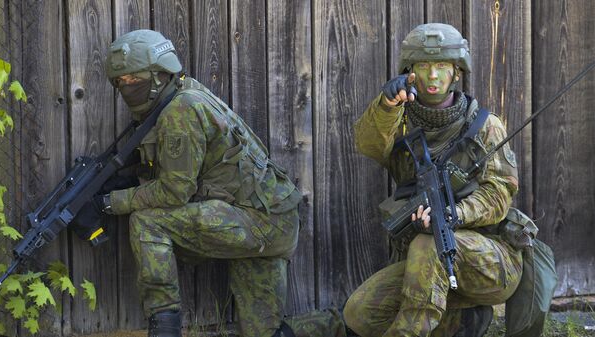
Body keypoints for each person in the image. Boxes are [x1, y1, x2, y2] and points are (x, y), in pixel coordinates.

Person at [87, 29, 345, 337]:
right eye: (121, 82)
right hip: (269, 218)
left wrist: (110, 202)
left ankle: (164, 330)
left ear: (159, 76)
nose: (127, 87)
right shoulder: (185, 93)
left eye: (134, 79)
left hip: (259, 221)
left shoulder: (180, 110)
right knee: (265, 334)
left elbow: (175, 191)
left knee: (147, 222)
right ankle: (348, 325)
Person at [343, 23, 524, 337]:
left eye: (442, 66)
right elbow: (369, 145)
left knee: (430, 243)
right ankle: (461, 319)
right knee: (359, 313)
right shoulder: (398, 120)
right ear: (411, 71)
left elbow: (500, 191)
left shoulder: (485, 126)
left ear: (456, 72)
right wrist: (386, 107)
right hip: (425, 261)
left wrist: (454, 215)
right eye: (424, 67)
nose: (433, 76)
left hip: (490, 260)